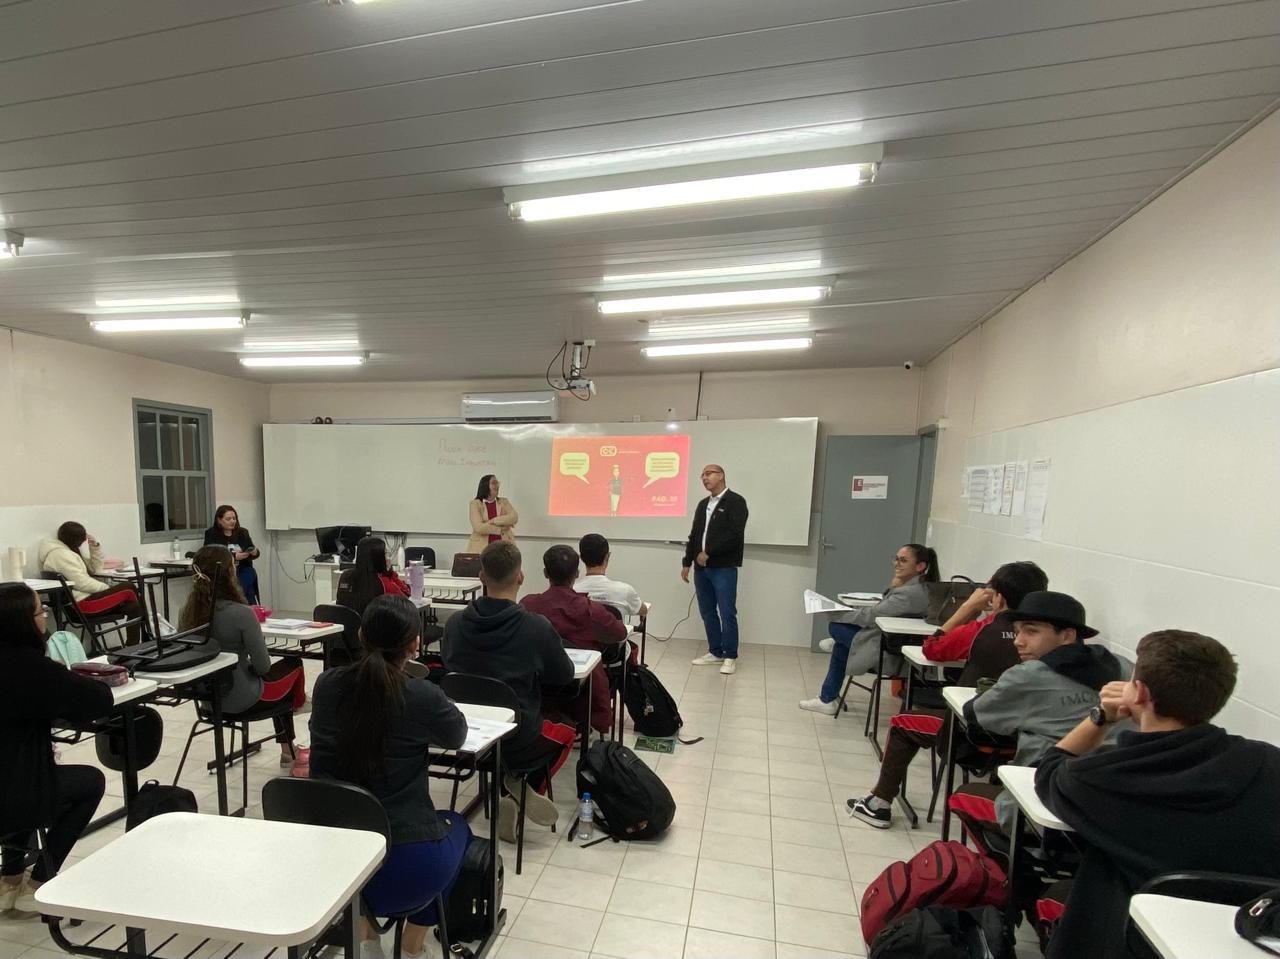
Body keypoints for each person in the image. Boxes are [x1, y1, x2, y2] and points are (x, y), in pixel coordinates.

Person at [1035, 630, 1280, 959]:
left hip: (1128, 939)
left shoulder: (1099, 778)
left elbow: (1049, 770)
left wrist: (1101, 717)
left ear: (1140, 693)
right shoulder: (1269, 762)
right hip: (1247, 938)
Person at [309, 595, 471, 959]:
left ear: (362, 635)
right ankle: (412, 946)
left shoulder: (326, 685)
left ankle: (366, 938)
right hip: (405, 867)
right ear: (415, 644)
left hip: (334, 861)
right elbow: (457, 734)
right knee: (459, 828)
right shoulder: (420, 695)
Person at [846, 561, 1048, 828]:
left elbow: (933, 649)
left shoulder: (984, 629)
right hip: (1026, 739)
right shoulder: (1049, 638)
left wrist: (967, 608)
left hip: (970, 732)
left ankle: (879, 803)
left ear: (997, 597)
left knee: (902, 723)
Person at [947, 591, 1128, 849]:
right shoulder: (1123, 667)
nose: (1018, 641)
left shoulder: (1028, 675)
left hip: (1046, 807)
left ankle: (1008, 876)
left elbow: (976, 715)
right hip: (1113, 812)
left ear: (1067, 635)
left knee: (963, 796)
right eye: (1018, 631)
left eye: (1031, 631)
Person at [442, 542, 575, 843]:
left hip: (466, 731)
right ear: (521, 577)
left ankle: (510, 785)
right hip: (518, 736)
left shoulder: (454, 624)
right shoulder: (535, 627)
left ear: (481, 577)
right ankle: (516, 790)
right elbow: (564, 675)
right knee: (566, 733)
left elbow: (449, 666)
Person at [0, 583, 113, 913]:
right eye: (40, 612)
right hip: (14, 796)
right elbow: (99, 701)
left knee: (23, 776)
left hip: (11, 781)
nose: (45, 617)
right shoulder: (33, 670)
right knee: (90, 782)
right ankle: (39, 883)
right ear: (24, 622)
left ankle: (9, 879)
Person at [179, 546, 306, 765]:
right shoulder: (241, 613)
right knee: (292, 665)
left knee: (278, 678)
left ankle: (296, 714)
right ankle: (291, 739)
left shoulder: (188, 611)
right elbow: (263, 667)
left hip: (208, 701)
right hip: (244, 699)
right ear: (229, 573)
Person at [799, 543, 939, 716]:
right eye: (896, 558)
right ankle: (827, 698)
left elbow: (872, 615)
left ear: (920, 566)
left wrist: (835, 613)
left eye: (903, 560)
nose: (897, 563)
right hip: (888, 642)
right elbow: (880, 612)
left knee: (836, 626)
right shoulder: (919, 587)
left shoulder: (909, 593)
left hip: (889, 653)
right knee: (841, 647)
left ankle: (827, 698)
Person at [522, 545, 627, 736]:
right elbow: (619, 633)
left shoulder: (528, 604)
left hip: (538, 684)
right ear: (577, 573)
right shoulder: (589, 609)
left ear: (545, 573)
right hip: (582, 690)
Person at [682, 464, 748, 675]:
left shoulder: (736, 501)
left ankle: (730, 655)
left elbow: (734, 535)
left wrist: (709, 552)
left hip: (724, 568)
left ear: (721, 476)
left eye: (709, 474)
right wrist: (686, 561)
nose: (704, 478)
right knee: (707, 611)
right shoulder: (703, 504)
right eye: (702, 475)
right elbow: (694, 535)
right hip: (701, 569)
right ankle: (715, 651)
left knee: (727, 612)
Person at [37, 521, 144, 645]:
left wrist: (95, 548)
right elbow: (81, 583)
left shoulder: (68, 551)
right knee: (128, 587)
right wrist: (107, 588)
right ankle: (149, 630)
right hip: (81, 606)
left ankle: (133, 646)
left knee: (134, 607)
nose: (82, 543)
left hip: (84, 602)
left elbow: (96, 569)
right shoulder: (61, 555)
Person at [575, 533, 649, 621]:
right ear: (607, 556)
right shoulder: (625, 590)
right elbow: (643, 610)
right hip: (614, 634)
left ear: (581, 558)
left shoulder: (572, 591)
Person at [336, 536, 410, 616]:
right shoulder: (383, 582)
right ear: (378, 558)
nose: (388, 557)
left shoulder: (345, 576)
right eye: (385, 553)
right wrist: (390, 574)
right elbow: (406, 601)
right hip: (374, 627)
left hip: (347, 625)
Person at [203, 504, 261, 604]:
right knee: (246, 589)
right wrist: (233, 557)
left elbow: (253, 553)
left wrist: (254, 551)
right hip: (223, 571)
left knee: (249, 574)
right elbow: (210, 555)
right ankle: (243, 606)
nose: (232, 521)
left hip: (242, 568)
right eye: (228, 519)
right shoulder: (211, 534)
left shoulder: (242, 533)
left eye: (234, 518)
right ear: (219, 520)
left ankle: (239, 602)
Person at [465, 474, 518, 554]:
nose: (497, 485)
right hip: (481, 548)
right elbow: (479, 528)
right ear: (485, 486)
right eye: (493, 483)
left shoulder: (504, 502)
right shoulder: (475, 504)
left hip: (504, 547)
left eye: (497, 483)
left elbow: (514, 517)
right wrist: (500, 528)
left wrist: (494, 520)